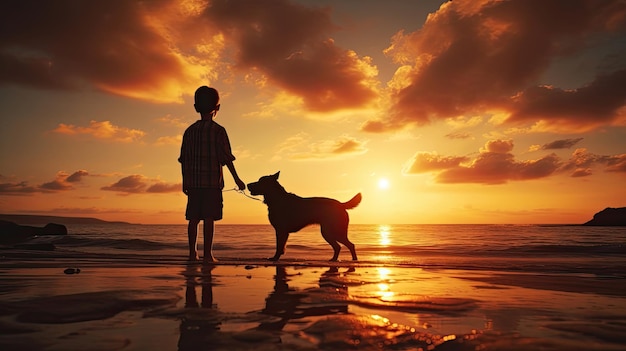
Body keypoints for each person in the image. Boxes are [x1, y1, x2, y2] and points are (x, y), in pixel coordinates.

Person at [179, 86, 245, 263]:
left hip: (193, 183)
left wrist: (184, 182)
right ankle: (208, 255)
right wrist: (237, 179)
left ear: (195, 107)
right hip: (212, 184)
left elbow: (184, 159)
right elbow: (226, 158)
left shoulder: (189, 132)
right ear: (218, 108)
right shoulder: (218, 131)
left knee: (193, 219)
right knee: (209, 218)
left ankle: (192, 254)